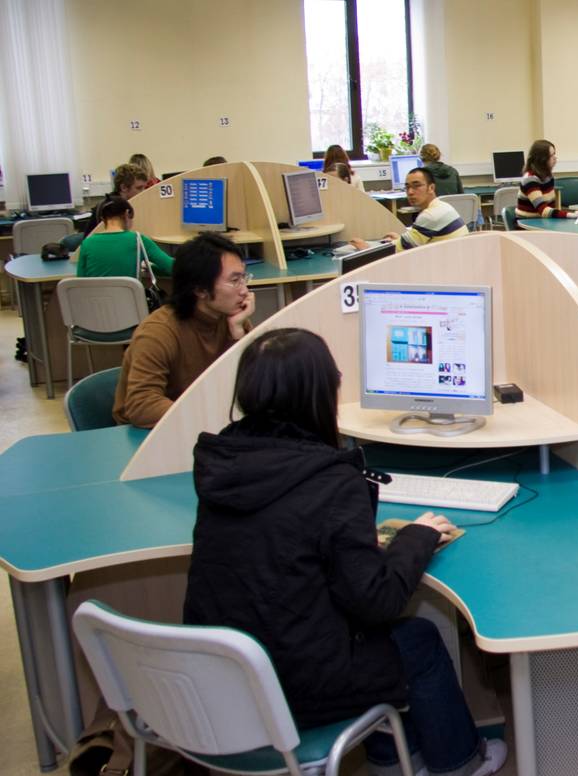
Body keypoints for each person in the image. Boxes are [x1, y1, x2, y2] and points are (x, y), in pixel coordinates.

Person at [184, 328, 508, 776]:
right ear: (320, 394)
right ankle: (461, 763)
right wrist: (417, 537)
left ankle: (395, 760)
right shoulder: (331, 481)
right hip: (296, 685)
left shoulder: (222, 462)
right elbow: (377, 602)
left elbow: (285, 544)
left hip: (221, 675)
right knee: (415, 639)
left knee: (361, 636)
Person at [112, 233, 255, 428]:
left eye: (244, 277)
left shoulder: (233, 319)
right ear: (200, 289)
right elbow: (142, 406)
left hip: (204, 426)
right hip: (151, 433)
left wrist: (238, 336)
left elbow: (256, 386)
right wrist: (210, 414)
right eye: (235, 280)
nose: (244, 290)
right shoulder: (158, 332)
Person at [353, 168, 464, 251]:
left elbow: (396, 251)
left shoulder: (430, 215)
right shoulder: (442, 206)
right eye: (407, 187)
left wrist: (366, 248)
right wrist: (401, 240)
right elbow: (412, 243)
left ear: (431, 188)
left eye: (416, 186)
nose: (410, 192)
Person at [75, 196, 174, 279]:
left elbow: (80, 280)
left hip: (95, 297)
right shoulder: (138, 240)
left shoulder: (87, 243)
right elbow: (173, 268)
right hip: (129, 297)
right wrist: (152, 268)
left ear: (102, 219)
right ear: (127, 214)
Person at [515, 139, 573, 219]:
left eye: (554, 154)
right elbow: (544, 211)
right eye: (551, 155)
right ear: (542, 159)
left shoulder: (548, 176)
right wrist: (571, 215)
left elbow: (551, 208)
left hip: (543, 220)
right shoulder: (529, 179)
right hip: (527, 222)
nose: (555, 158)